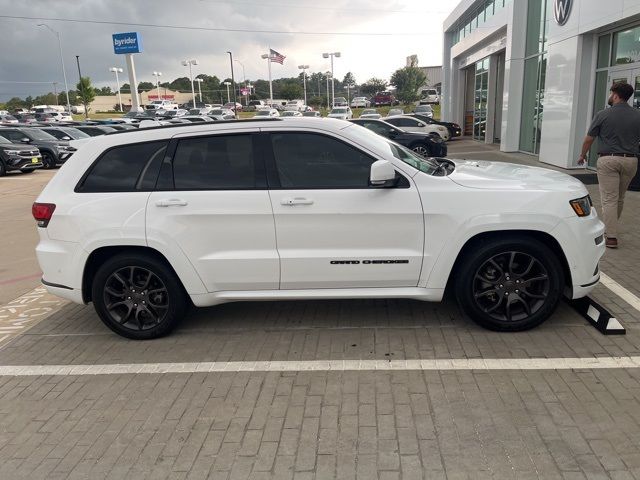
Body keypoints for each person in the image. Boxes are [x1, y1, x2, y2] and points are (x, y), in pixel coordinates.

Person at [578, 82, 640, 248]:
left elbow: (589, 138)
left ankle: (611, 236)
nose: (610, 96)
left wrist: (582, 155)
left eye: (611, 93)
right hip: (631, 161)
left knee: (609, 200)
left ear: (615, 95)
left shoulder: (603, 114)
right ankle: (610, 229)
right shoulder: (637, 115)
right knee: (619, 198)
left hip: (608, 160)